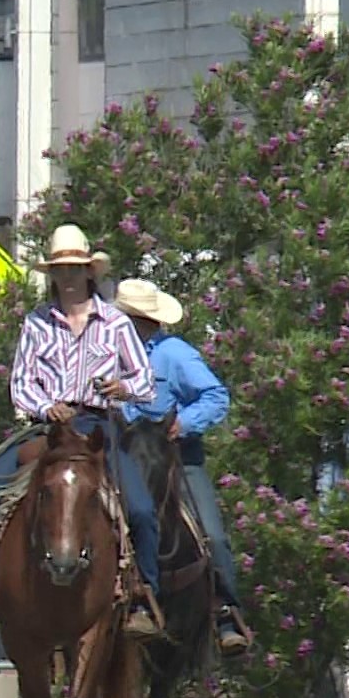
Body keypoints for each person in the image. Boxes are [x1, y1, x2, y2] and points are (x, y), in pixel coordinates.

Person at [0, 223, 164, 640]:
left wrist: (123, 388)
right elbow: (22, 382)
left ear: (88, 272)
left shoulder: (116, 324)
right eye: (59, 270)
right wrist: (47, 405)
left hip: (99, 426)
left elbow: (145, 382)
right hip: (47, 428)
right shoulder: (37, 322)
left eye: (73, 268)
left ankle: (142, 593)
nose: (66, 277)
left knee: (139, 510)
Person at [113, 278, 251, 656]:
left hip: (174, 460)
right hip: (119, 458)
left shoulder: (174, 354)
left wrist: (184, 424)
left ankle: (225, 613)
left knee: (212, 536)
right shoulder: (107, 354)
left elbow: (215, 396)